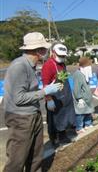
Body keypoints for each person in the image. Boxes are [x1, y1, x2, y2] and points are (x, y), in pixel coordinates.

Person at [3, 32, 62, 172]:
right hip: (20, 118)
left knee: (35, 156)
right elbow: (19, 98)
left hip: (32, 114)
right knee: (17, 160)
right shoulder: (19, 66)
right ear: (38, 51)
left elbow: (28, 90)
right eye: (45, 49)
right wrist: (45, 92)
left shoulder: (31, 66)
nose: (47, 52)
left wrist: (46, 89)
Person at [41, 43, 76, 146]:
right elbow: (45, 84)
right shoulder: (48, 65)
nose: (62, 58)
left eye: (64, 56)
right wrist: (49, 99)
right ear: (53, 52)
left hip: (64, 95)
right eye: (60, 56)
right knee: (53, 120)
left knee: (64, 117)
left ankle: (62, 136)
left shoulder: (62, 64)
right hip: (54, 97)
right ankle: (53, 139)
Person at [72, 57, 95, 134]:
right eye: (88, 66)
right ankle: (79, 127)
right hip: (81, 98)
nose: (90, 68)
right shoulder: (78, 75)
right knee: (80, 113)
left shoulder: (85, 75)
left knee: (88, 111)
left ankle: (87, 124)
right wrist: (79, 98)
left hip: (86, 98)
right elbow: (76, 88)